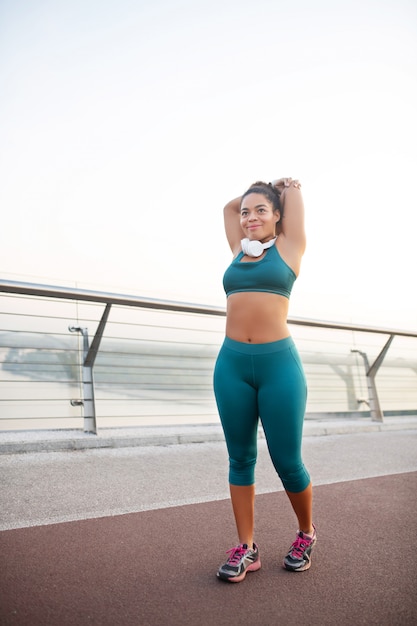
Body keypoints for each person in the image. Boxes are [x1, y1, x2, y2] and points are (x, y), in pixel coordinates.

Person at [213, 177, 316, 583]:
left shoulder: (290, 249)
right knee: (240, 459)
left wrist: (281, 190)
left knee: (287, 462)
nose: (249, 217)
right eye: (247, 212)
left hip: (279, 368)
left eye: (261, 211)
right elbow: (227, 209)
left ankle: (306, 533)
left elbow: (292, 205)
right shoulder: (239, 249)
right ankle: (247, 548)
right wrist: (261, 192)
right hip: (232, 366)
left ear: (278, 217)